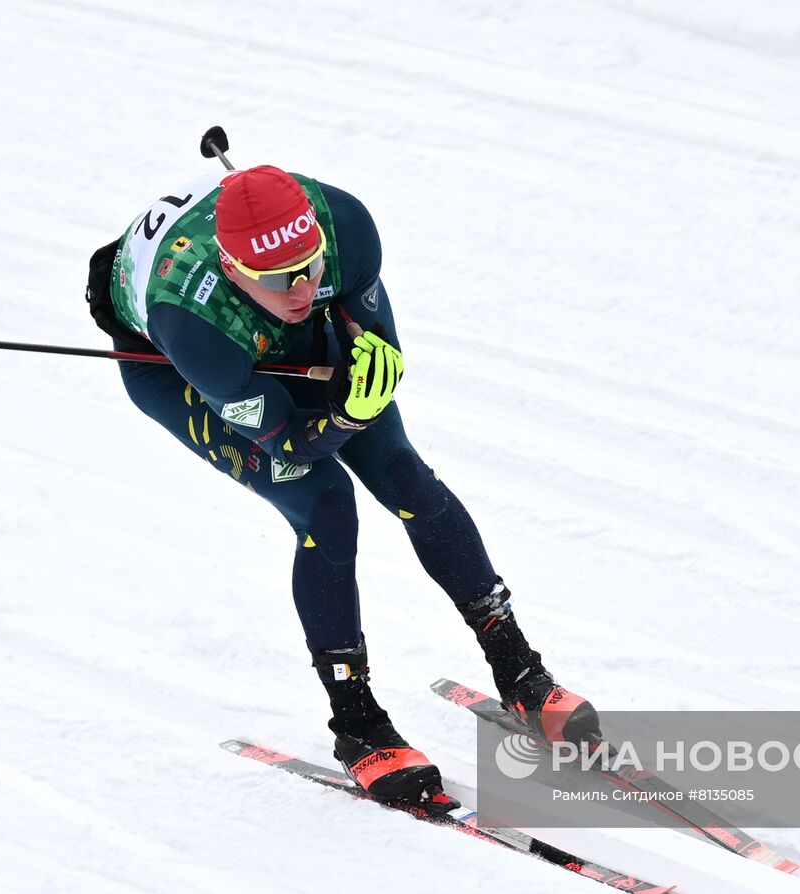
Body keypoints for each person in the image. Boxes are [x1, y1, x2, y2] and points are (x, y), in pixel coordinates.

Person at [84, 165, 598, 804]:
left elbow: (377, 343)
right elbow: (290, 445)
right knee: (326, 503)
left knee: (403, 472)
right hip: (179, 369)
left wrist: (367, 372)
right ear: (237, 270)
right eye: (280, 277)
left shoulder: (345, 227)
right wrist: (343, 413)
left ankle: (518, 667)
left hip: (271, 335)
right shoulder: (197, 326)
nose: (302, 288)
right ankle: (356, 725)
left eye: (310, 266)